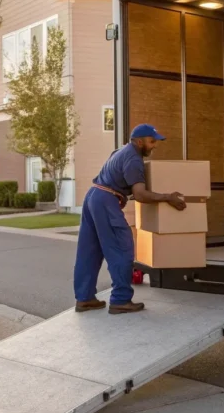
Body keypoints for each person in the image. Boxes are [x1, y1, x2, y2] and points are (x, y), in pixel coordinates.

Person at [73, 123, 186, 314]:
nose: (154, 146)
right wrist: (168, 197)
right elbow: (140, 195)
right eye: (151, 142)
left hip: (93, 197)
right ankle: (120, 300)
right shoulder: (134, 160)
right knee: (121, 247)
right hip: (105, 201)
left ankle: (84, 298)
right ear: (139, 141)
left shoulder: (120, 151)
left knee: (89, 251)